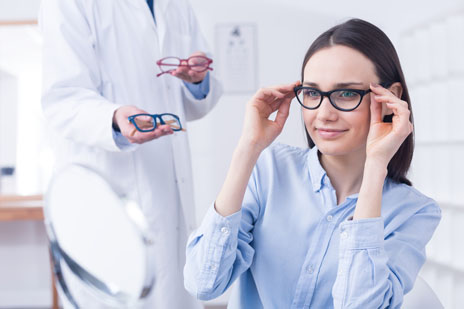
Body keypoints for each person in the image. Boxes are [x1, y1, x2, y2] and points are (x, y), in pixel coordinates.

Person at [184, 19, 441, 308]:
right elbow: (203, 283)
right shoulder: (269, 170)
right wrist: (248, 148)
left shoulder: (414, 212)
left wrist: (376, 166)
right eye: (312, 93)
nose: (324, 114)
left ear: (390, 97)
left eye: (346, 94)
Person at [40, 0, 222, 307]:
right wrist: (113, 117)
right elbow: (61, 99)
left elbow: (193, 104)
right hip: (106, 200)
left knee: (175, 291)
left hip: (171, 193)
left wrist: (197, 81)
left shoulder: (175, 6)